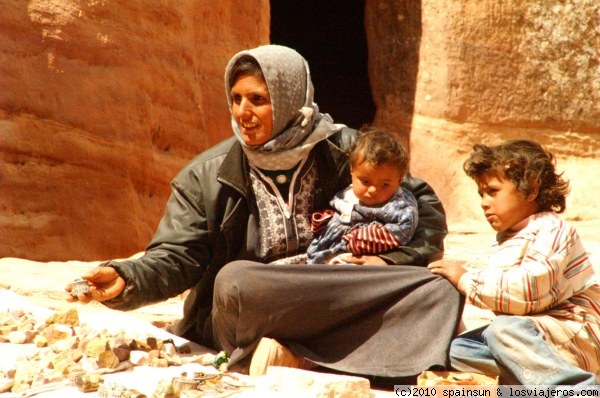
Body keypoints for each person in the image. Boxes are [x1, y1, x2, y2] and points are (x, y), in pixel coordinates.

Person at [66, 44, 462, 382]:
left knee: (438, 289)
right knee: (236, 281)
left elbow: (423, 211)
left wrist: (385, 260)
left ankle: (299, 358)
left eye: (258, 99)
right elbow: (177, 256)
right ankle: (360, 357)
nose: (242, 112)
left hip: (336, 288)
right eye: (236, 99)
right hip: (260, 300)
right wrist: (127, 277)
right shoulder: (207, 174)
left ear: (291, 96)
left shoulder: (345, 150)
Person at [428, 140, 600, 385]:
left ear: (531, 189)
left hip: (574, 332)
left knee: (503, 330)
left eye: (493, 191)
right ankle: (535, 378)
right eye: (481, 194)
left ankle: (575, 388)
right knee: (454, 348)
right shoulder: (505, 241)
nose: (484, 202)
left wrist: (466, 279)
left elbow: (528, 292)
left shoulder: (553, 229)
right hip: (533, 336)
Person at [306, 126, 418, 264]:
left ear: (400, 180)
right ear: (352, 171)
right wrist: (324, 222)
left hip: (358, 257)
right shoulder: (346, 192)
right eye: (365, 181)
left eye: (385, 185)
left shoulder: (399, 206)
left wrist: (356, 240)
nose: (373, 190)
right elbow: (338, 210)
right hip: (322, 252)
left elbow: (401, 231)